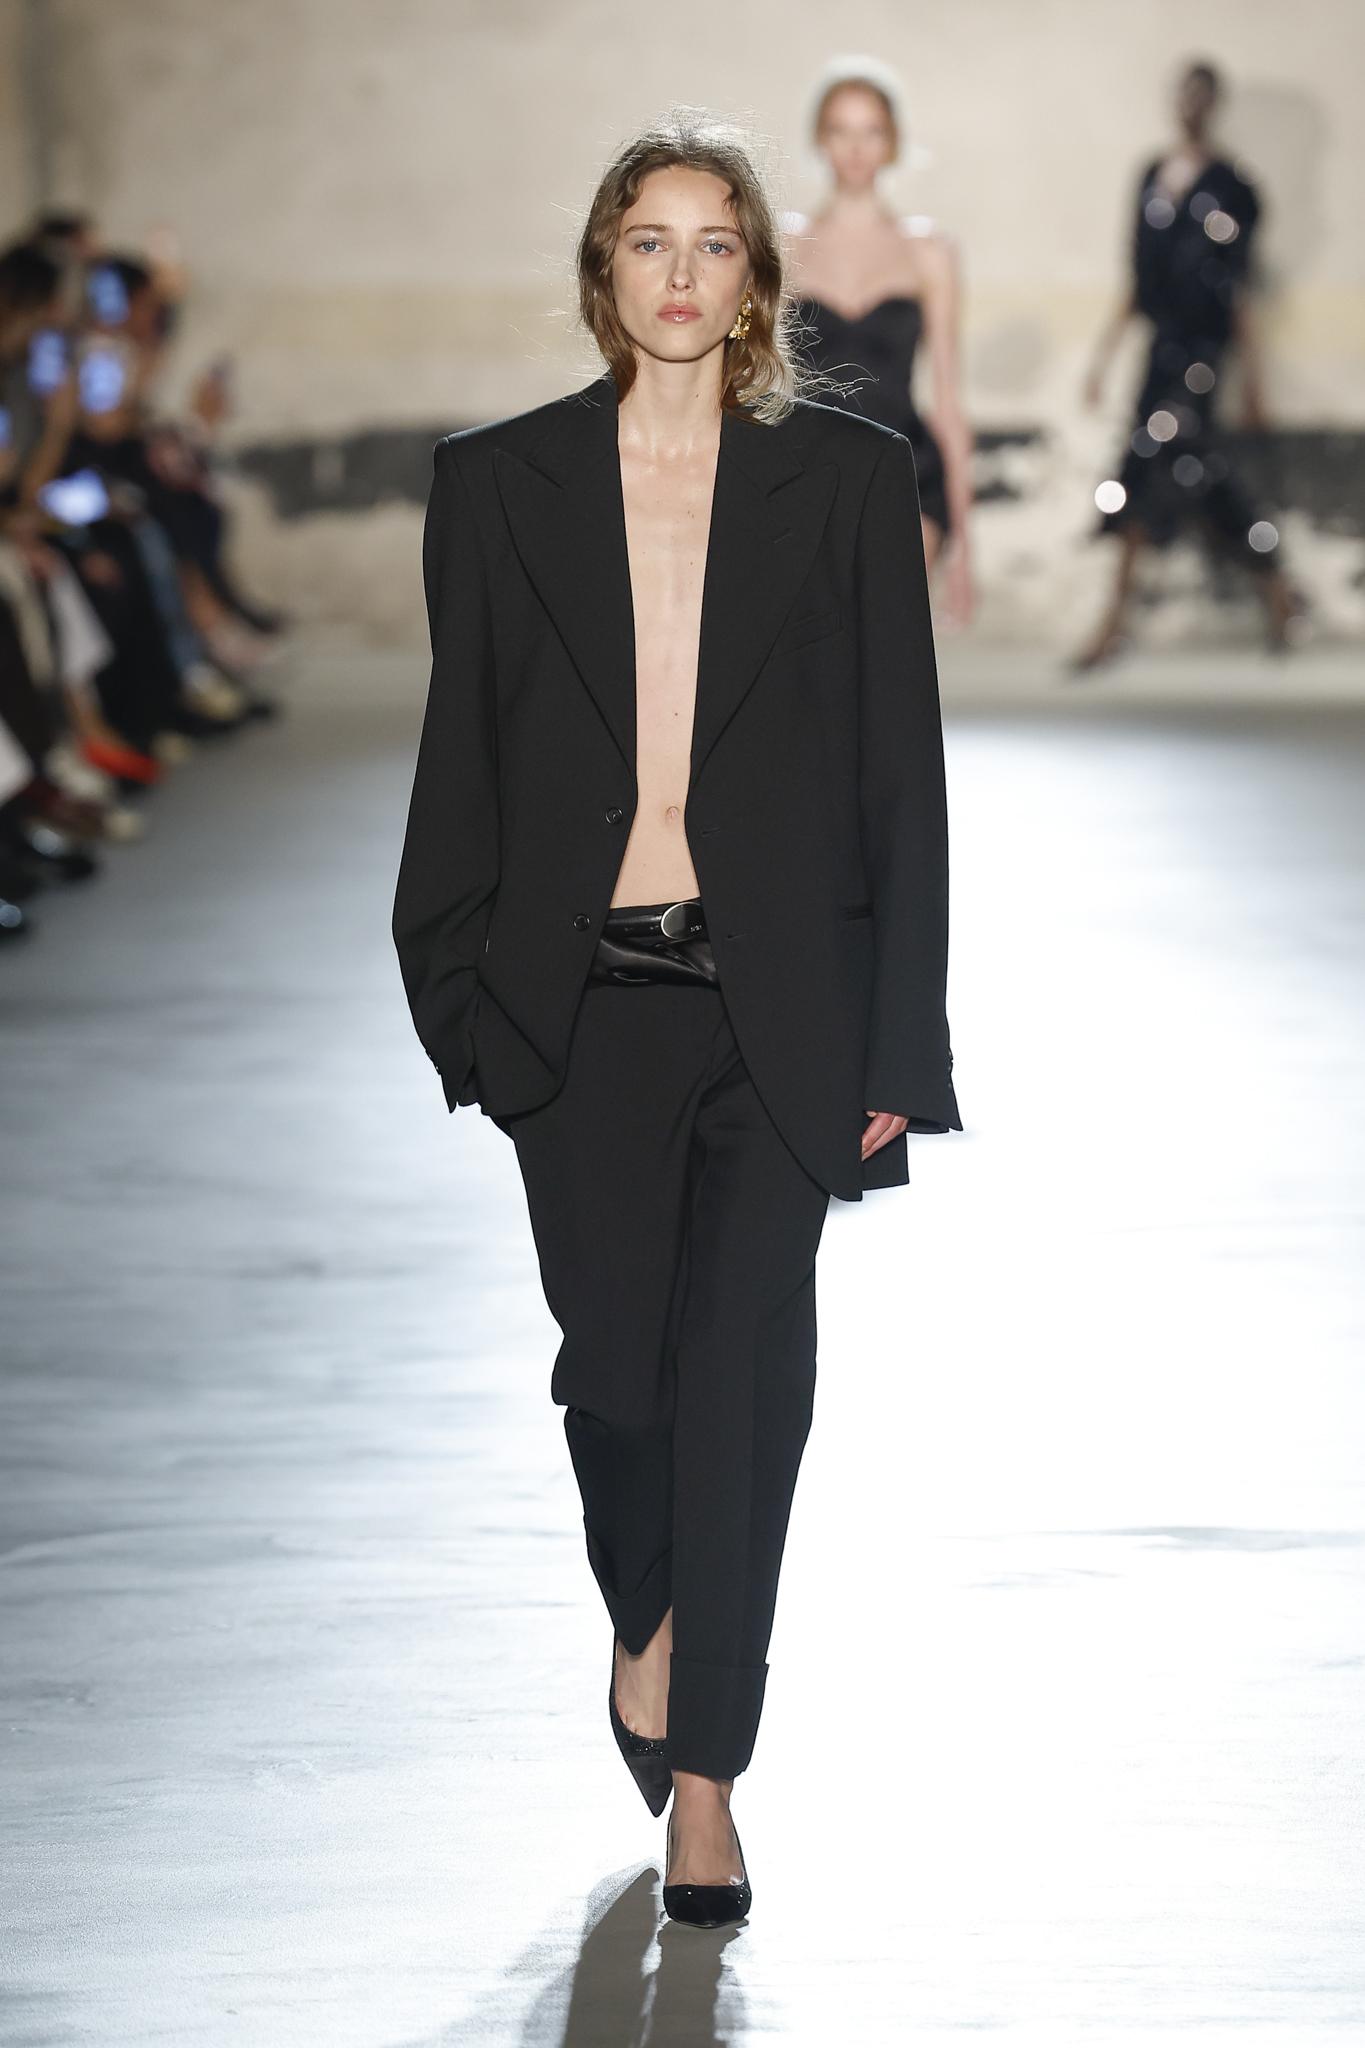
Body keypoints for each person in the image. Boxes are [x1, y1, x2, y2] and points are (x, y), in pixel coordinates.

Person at [391, 108, 961, 1930]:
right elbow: (462, 761)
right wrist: (464, 1005)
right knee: (619, 1385)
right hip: (580, 1010)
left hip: (780, 1008)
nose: (683, 272)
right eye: (651, 239)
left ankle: (706, 1778)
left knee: (741, 1395)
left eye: (717, 242)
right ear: (603, 269)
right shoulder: (499, 485)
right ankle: (648, 1618)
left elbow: (899, 778)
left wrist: (901, 1050)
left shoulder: (845, 481)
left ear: (756, 281)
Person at [1075, 58, 1297, 669]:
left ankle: (1269, 589)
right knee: (1155, 469)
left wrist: (1253, 378)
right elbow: (1136, 275)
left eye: (1202, 95)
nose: (1191, 105)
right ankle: (1273, 589)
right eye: (1184, 93)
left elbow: (1240, 288)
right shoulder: (1152, 176)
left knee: (1174, 464)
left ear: (1214, 104)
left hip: (1202, 355)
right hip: (1161, 348)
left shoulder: (1233, 187)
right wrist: (1104, 356)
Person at [782, 58, 974, 625]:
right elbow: (753, 374)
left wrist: (966, 545)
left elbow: (948, 399)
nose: (856, 148)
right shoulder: (785, 248)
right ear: (820, 139)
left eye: (871, 131)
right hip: (808, 470)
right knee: (820, 649)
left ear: (892, 142)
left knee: (890, 639)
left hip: (905, 467)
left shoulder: (928, 252)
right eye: (841, 130)